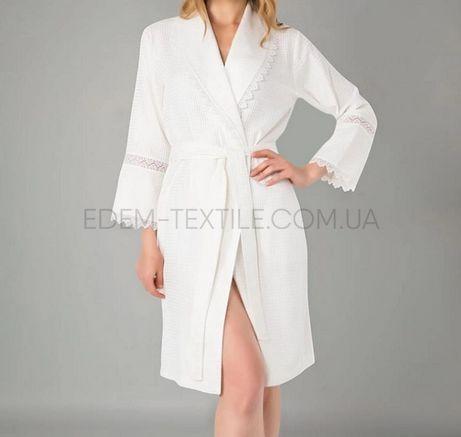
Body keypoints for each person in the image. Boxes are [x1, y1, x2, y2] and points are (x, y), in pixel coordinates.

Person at [113, 1, 377, 436]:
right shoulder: (161, 39)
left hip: (266, 217)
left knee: (266, 379)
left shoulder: (284, 43)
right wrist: (148, 242)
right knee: (246, 379)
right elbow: (148, 142)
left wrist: (310, 170)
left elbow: (357, 112)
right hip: (191, 218)